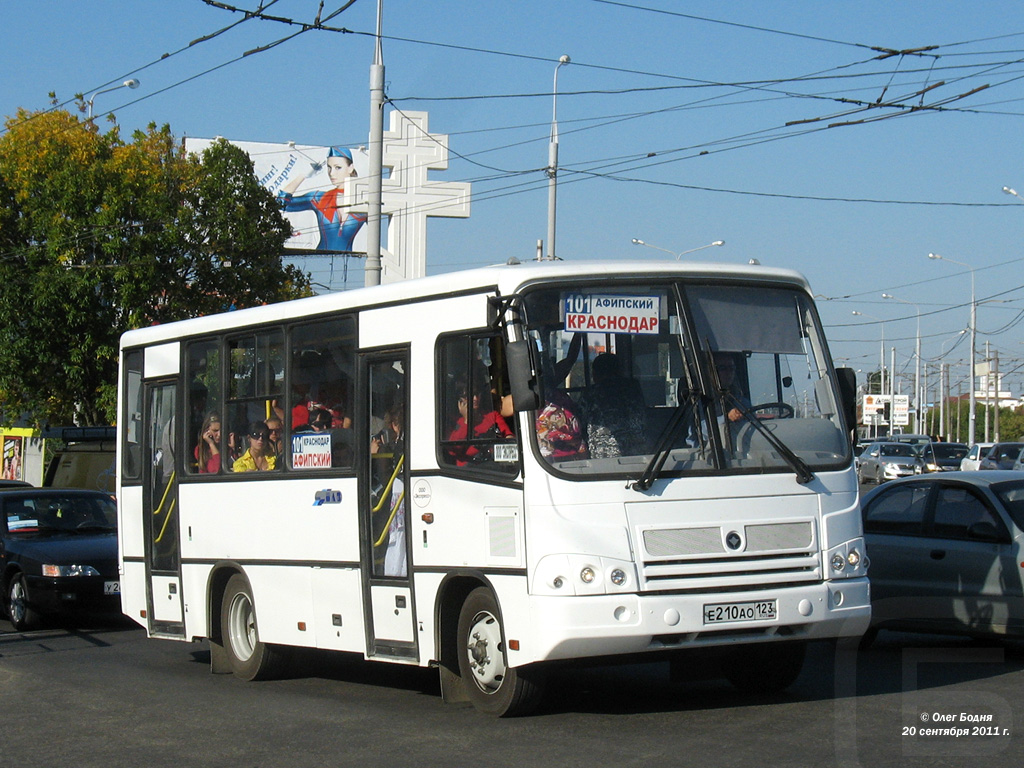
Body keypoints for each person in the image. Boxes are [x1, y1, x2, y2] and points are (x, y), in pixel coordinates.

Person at [278, 146, 367, 252]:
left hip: (348, 263)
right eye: (329, 167)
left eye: (338, 167)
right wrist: (302, 176)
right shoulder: (319, 198)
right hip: (320, 260)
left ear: (350, 168)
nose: (331, 173)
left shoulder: (363, 201)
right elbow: (281, 202)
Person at [576, 353, 648, 459]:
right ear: (620, 371)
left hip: (604, 458)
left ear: (596, 373)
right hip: (639, 456)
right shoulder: (634, 388)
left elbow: (578, 424)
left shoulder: (591, 393)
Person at [447, 383, 513, 466]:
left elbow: (508, 435)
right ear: (460, 401)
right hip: (468, 469)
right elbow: (453, 450)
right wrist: (467, 421)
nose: (475, 398)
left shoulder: (493, 416)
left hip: (494, 465)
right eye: (469, 395)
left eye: (477, 394)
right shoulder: (454, 421)